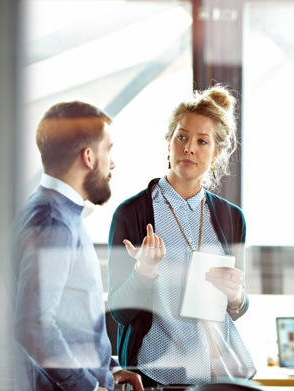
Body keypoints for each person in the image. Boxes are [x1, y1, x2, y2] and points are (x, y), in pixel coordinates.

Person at [107, 84, 256, 387]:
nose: (189, 148)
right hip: (154, 374)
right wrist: (143, 271)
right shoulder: (132, 214)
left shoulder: (231, 218)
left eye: (203, 141)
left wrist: (236, 296)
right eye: (182, 137)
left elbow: (235, 308)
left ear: (216, 153)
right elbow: (120, 313)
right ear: (168, 143)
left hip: (218, 374)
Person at [9, 101, 143, 391]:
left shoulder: (56, 210)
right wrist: (90, 387)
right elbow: (33, 326)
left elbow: (71, 319)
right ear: (88, 157)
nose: (113, 162)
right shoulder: (52, 222)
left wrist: (109, 369)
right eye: (108, 150)